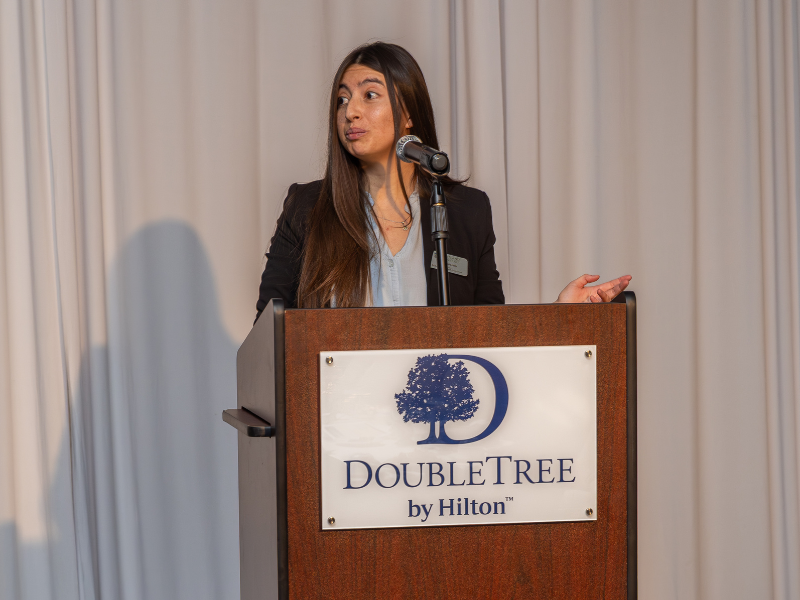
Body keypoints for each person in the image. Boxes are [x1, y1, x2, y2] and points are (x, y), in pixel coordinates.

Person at [256, 42, 630, 319]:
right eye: (342, 99)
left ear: (409, 113)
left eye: (370, 95)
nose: (350, 111)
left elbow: (489, 333)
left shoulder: (467, 211)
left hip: (437, 402)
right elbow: (269, 331)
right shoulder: (307, 208)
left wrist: (560, 316)